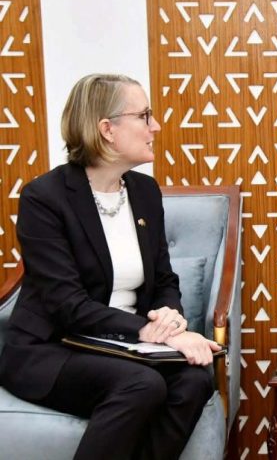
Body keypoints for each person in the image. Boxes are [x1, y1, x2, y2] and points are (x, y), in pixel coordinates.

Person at [0, 74, 222, 460]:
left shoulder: (144, 192)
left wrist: (170, 319)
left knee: (194, 380)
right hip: (52, 348)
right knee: (142, 384)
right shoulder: (44, 198)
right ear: (107, 129)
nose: (156, 126)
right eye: (145, 116)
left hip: (123, 347)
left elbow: (164, 279)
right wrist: (151, 332)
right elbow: (66, 304)